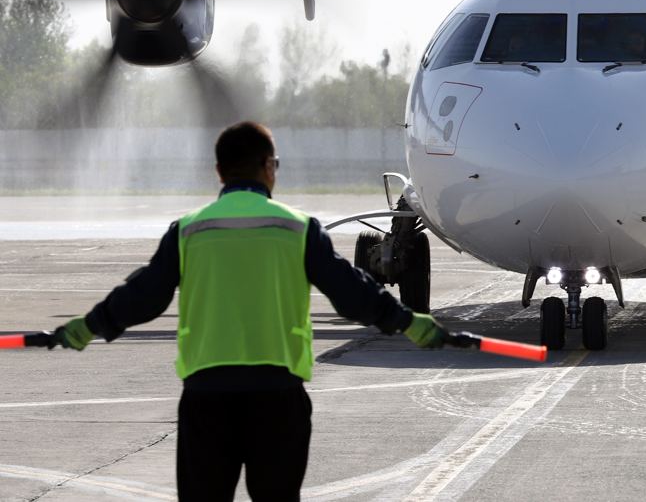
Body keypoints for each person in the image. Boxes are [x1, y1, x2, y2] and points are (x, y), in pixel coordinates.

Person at [47, 121, 445, 501]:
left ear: (219, 171)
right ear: (270, 168)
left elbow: (143, 296)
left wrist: (87, 326)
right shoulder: (298, 229)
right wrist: (411, 324)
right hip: (277, 400)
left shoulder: (188, 230)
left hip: (207, 400)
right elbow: (353, 294)